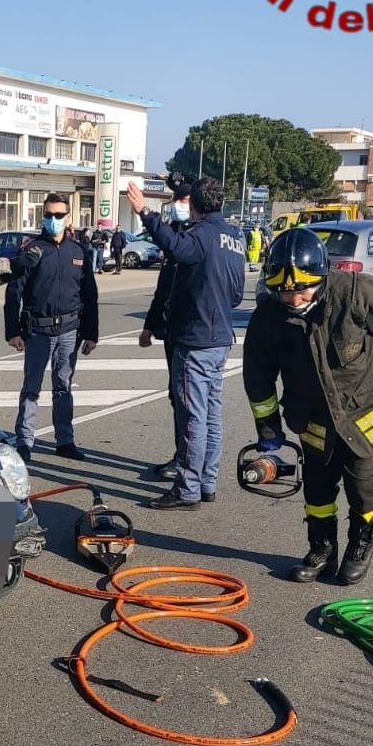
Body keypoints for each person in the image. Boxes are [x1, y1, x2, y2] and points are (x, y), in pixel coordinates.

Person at [243, 226, 373, 585]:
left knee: (362, 485)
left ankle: (360, 543)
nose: (294, 300)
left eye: (301, 291)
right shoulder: (268, 318)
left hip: (366, 412)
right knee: (317, 486)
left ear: (320, 278)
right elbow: (258, 378)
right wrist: (268, 430)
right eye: (285, 294)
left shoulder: (358, 293)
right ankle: (321, 549)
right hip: (312, 416)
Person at [127, 176, 245, 508]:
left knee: (193, 415)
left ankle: (188, 487)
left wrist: (145, 213)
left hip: (196, 339)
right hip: (220, 336)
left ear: (193, 205)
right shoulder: (233, 237)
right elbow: (236, 295)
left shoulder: (201, 235)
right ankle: (207, 481)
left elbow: (175, 246)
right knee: (211, 413)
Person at [5, 192, 99, 463]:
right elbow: (14, 292)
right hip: (37, 330)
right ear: (42, 216)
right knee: (31, 388)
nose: (53, 220)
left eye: (59, 215)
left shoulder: (78, 252)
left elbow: (89, 295)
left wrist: (91, 333)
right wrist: (13, 331)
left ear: (68, 216)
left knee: (63, 387)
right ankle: (24, 441)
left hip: (69, 330)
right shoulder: (32, 251)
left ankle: (65, 440)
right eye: (49, 215)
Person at [138, 175, 192, 476]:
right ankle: (182, 457)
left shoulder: (195, 237)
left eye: (183, 200)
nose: (178, 206)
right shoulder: (174, 234)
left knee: (189, 401)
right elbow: (164, 287)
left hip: (191, 332)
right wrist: (149, 325)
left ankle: (190, 465)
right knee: (177, 395)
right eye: (176, 200)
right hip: (172, 330)